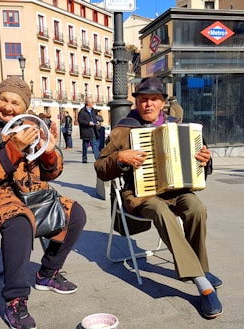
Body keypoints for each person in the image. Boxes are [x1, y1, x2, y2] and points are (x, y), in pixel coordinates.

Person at [0, 77, 86, 329]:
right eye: (3, 99)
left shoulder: (31, 126)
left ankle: (47, 273)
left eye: (15, 103)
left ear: (25, 107)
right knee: (19, 221)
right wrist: (13, 149)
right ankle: (15, 300)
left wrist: (49, 152)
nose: (7, 107)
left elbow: (50, 174)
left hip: (28, 195)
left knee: (75, 213)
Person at [94, 77, 222, 319]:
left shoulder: (177, 126)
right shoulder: (124, 129)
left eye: (153, 99)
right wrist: (120, 158)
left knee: (197, 208)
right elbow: (100, 167)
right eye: (143, 100)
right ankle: (201, 281)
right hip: (141, 194)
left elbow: (200, 159)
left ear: (163, 102)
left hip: (177, 191)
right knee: (160, 211)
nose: (148, 104)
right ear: (137, 102)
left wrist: (206, 159)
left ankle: (198, 268)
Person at [78, 97, 100, 163]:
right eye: (92, 102)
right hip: (86, 130)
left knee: (94, 144)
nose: (93, 104)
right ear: (88, 103)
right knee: (85, 145)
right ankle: (84, 158)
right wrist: (88, 123)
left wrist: (97, 121)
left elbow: (94, 118)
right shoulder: (82, 111)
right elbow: (80, 121)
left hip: (93, 129)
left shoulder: (93, 111)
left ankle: (98, 158)